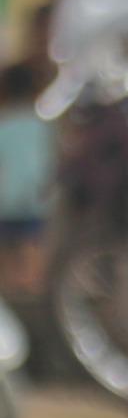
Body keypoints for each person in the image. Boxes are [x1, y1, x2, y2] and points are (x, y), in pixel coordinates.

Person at [0, 62, 51, 303]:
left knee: (8, 250)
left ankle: (11, 295)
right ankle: (33, 294)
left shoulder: (4, 125)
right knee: (32, 246)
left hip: (6, 199)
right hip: (35, 197)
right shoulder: (42, 125)